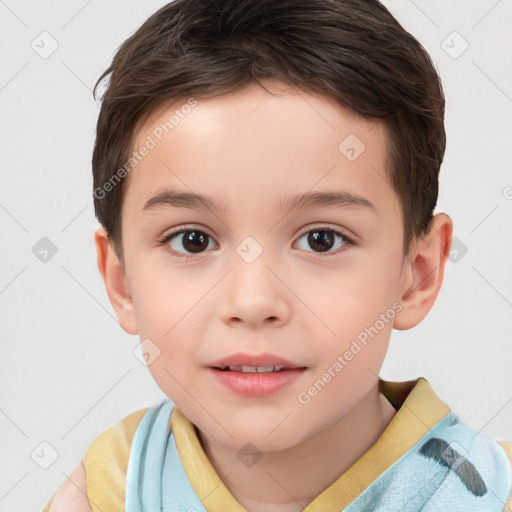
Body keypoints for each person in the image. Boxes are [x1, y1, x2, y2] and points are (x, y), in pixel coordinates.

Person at [42, 0, 512, 510]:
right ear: (122, 282)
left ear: (417, 274)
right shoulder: (106, 490)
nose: (253, 301)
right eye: (192, 240)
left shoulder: (490, 491)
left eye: (321, 240)